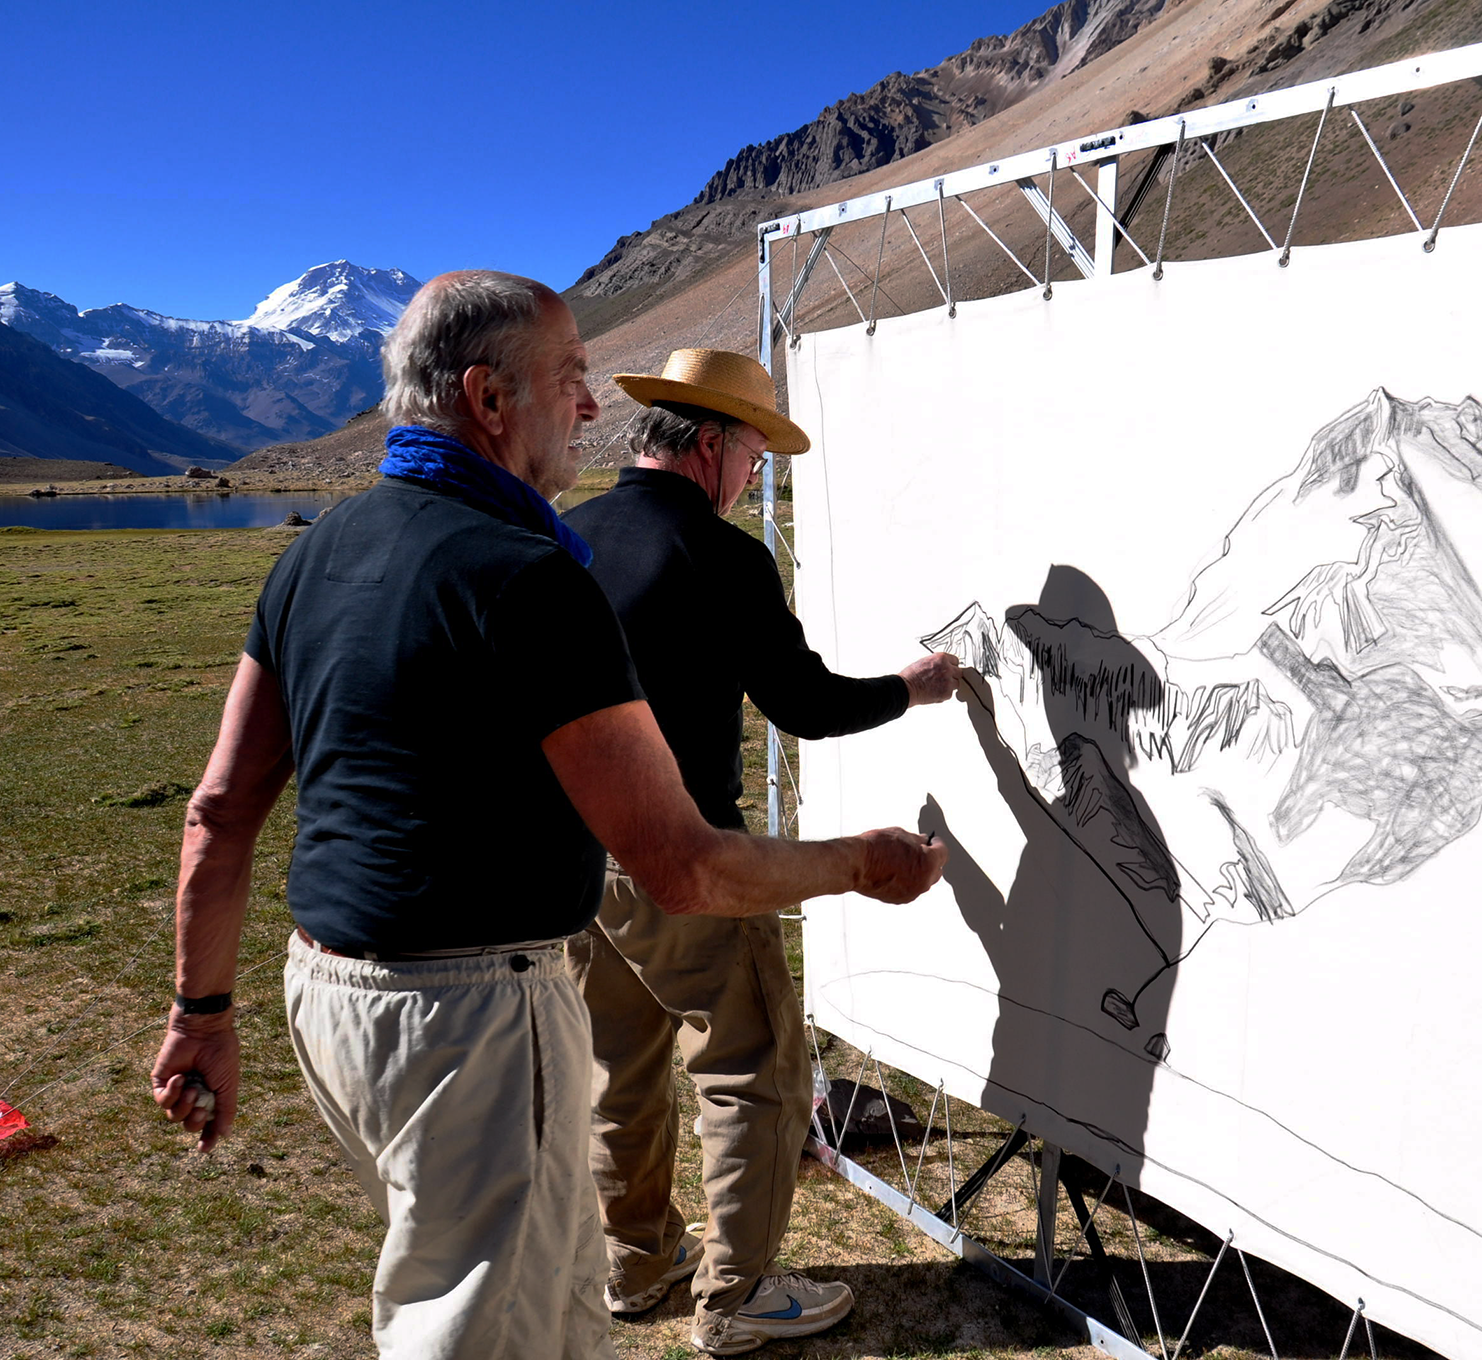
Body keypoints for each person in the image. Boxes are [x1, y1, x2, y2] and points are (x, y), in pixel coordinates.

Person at [147, 276, 946, 1360]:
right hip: (471, 1008)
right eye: (569, 377)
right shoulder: (527, 571)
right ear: (488, 398)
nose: (588, 406)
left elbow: (217, 810)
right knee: (483, 1321)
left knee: (548, 1259)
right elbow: (683, 864)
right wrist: (863, 861)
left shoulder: (317, 553)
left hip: (331, 994)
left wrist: (201, 1009)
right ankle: (736, 1291)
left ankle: (635, 1261)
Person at [558, 349, 960, 1356]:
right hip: (687, 858)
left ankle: (638, 1261)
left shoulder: (564, 535)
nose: (752, 476)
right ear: (707, 444)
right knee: (753, 1070)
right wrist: (910, 689)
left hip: (573, 858)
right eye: (751, 455)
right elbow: (805, 705)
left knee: (615, 1068)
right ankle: (734, 1297)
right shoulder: (720, 556)